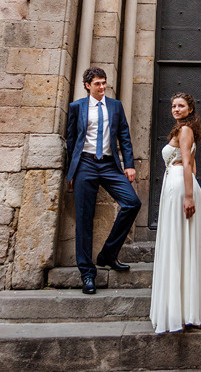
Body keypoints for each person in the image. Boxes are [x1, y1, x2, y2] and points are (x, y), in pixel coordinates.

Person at [65, 66, 141, 295]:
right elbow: (71, 140)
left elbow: (124, 136)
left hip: (109, 164)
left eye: (104, 82)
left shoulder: (115, 106)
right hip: (85, 164)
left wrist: (129, 164)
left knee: (132, 203)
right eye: (97, 83)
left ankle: (108, 254)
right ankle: (87, 274)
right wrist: (72, 171)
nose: (102, 87)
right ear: (87, 85)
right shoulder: (77, 107)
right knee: (84, 219)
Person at [149, 92, 201, 333]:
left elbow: (188, 163)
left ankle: (179, 311)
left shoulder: (185, 130)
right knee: (180, 243)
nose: (176, 109)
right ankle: (183, 310)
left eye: (181, 106)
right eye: (173, 106)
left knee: (178, 243)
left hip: (179, 186)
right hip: (177, 183)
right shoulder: (184, 130)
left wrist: (188, 195)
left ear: (190, 109)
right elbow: (192, 164)